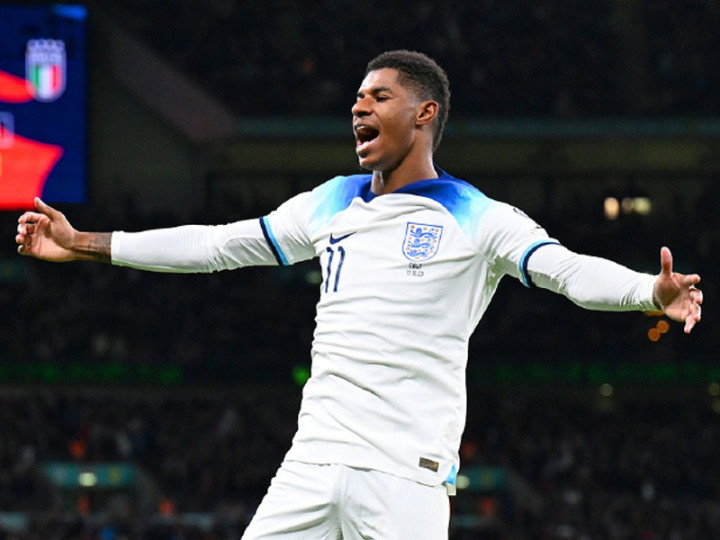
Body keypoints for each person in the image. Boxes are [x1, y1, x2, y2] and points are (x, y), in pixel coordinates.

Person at [16, 50, 702, 539]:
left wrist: (648, 290)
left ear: (425, 113)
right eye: (357, 98)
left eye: (378, 97)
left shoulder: (478, 216)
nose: (358, 107)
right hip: (312, 464)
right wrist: (85, 243)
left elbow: (567, 271)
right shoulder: (332, 202)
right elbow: (217, 246)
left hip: (405, 476)